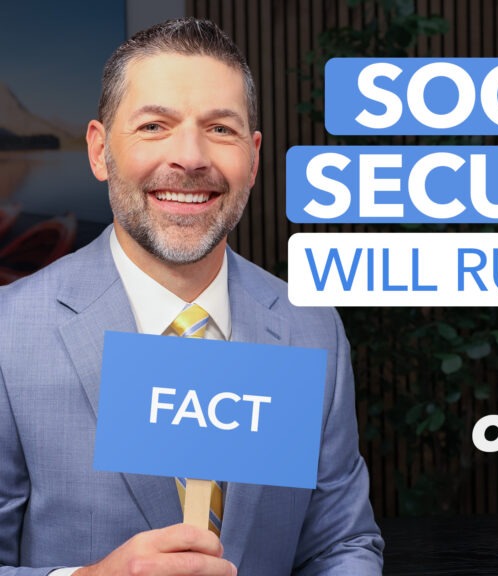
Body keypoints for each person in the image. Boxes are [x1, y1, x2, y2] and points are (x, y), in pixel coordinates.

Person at [0, 18, 384, 575]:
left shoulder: (311, 327)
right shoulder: (10, 333)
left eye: (220, 129)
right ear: (100, 150)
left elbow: (340, 545)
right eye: (155, 126)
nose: (190, 158)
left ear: (253, 158)